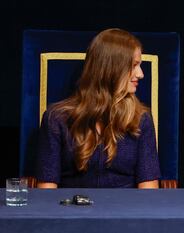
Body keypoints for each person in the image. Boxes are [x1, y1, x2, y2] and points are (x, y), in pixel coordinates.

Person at [36, 28, 161, 189]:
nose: (141, 74)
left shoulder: (141, 119)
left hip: (125, 211)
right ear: (111, 69)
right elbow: (47, 189)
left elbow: (149, 191)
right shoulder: (56, 118)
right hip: (72, 210)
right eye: (134, 65)